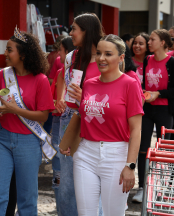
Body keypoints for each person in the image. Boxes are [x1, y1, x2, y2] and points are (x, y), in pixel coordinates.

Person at [62, 34, 143, 215]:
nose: (101, 58)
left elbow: (136, 129)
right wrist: (71, 141)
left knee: (113, 213)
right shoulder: (89, 84)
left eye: (108, 54)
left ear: (121, 57)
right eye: (98, 53)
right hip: (85, 154)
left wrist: (130, 166)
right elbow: (85, 116)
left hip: (116, 155)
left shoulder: (130, 84)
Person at [0, 27, 55, 216]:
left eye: (10, 49)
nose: (5, 53)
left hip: (28, 141)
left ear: (23, 55)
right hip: (2, 139)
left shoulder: (41, 80)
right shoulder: (3, 75)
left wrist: (14, 109)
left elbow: (43, 116)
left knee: (27, 197)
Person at [55, 13, 104, 216]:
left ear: (87, 31)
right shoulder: (71, 56)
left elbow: (111, 95)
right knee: (65, 185)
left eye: (75, 28)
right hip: (70, 119)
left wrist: (86, 98)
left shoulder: (105, 57)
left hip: (95, 121)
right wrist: (60, 97)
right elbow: (61, 77)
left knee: (92, 186)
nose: (71, 33)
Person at [132, 29, 174, 203]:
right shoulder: (147, 60)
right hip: (147, 110)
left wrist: (159, 94)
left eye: (152, 40)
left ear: (162, 42)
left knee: (163, 149)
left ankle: (161, 187)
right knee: (142, 148)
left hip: (165, 111)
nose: (149, 42)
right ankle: (142, 187)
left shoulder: (173, 62)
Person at [49, 36, 76, 215]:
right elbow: (55, 101)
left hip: (71, 123)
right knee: (60, 174)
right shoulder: (61, 71)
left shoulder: (77, 72)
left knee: (68, 174)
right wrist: (57, 100)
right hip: (60, 122)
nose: (58, 53)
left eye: (60, 49)